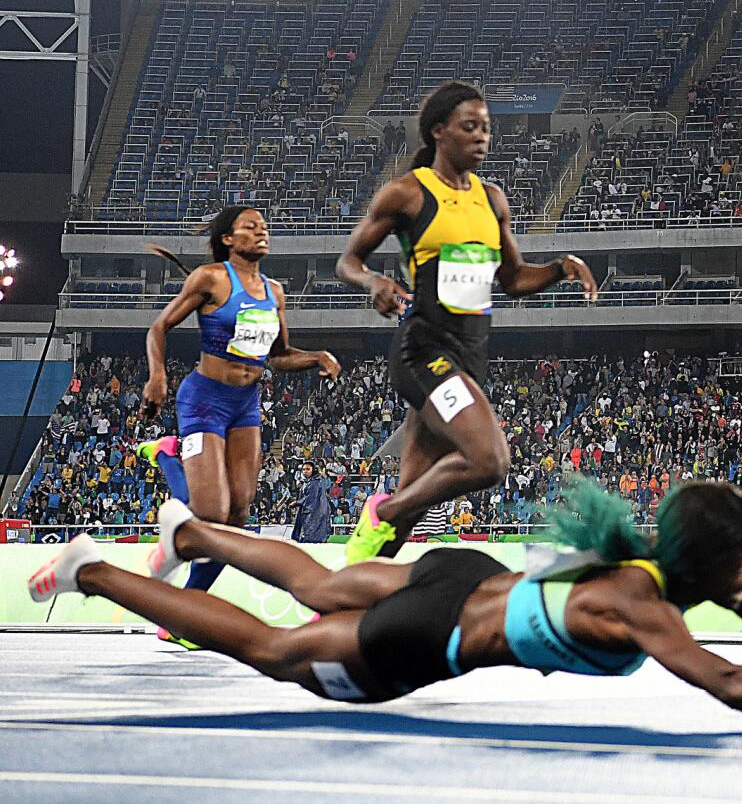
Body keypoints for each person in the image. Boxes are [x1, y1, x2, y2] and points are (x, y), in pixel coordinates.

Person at [27, 480, 742, 733]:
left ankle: (188, 531)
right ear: (722, 565)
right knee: (272, 646)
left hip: (462, 575)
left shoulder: (667, 570)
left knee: (316, 578)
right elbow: (729, 677)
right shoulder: (647, 605)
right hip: (429, 634)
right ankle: (92, 570)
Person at [335, 80, 596, 564]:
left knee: (416, 492)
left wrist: (561, 268)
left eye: (487, 129)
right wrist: (373, 283)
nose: (482, 138)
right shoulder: (408, 194)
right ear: (438, 132)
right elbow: (348, 261)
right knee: (489, 461)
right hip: (424, 351)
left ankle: (343, 598)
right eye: (469, 127)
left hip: (469, 358)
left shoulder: (492, 198)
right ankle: (384, 512)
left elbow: (514, 279)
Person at [137, 208, 339, 649]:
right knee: (210, 516)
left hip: (246, 404)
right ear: (228, 239)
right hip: (205, 399)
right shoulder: (211, 279)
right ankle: (167, 454)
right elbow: (160, 327)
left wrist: (317, 357)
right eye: (250, 226)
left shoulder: (275, 292)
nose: (260, 231)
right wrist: (157, 376)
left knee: (238, 519)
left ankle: (180, 618)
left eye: (264, 226)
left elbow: (279, 356)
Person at [290, 461, 332, 544]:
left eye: (308, 469)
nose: (305, 471)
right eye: (304, 469)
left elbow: (310, 498)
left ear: (313, 470)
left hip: (314, 513)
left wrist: (297, 503)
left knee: (311, 537)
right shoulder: (309, 482)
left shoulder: (314, 482)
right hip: (312, 512)